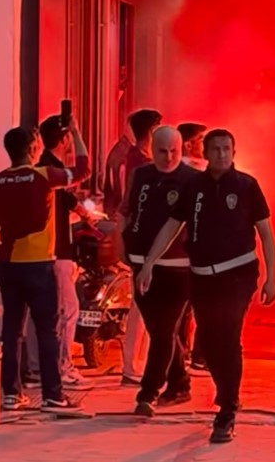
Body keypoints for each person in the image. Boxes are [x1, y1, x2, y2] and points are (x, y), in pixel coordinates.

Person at [135, 129, 275, 444]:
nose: (222, 155)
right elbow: (172, 227)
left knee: (227, 338)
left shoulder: (246, 186)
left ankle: (227, 408)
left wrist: (272, 276)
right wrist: (148, 264)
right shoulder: (194, 187)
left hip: (237, 275)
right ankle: (227, 391)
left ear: (234, 152)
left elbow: (266, 233)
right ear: (207, 152)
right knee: (209, 345)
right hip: (201, 276)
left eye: (227, 149)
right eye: (216, 149)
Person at [0, 127, 89, 413]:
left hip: (7, 265)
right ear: (34, 147)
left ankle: (11, 394)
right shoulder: (44, 175)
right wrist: (75, 133)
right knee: (47, 331)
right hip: (39, 265)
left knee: (11, 329)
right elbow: (84, 170)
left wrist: (0, 245)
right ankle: (53, 395)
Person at [121, 126, 200, 416]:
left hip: (178, 268)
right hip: (140, 263)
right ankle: (180, 383)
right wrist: (120, 241)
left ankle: (148, 393)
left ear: (182, 150)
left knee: (165, 330)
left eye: (174, 152)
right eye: (162, 151)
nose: (168, 157)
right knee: (160, 332)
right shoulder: (141, 176)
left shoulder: (192, 180)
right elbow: (126, 211)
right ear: (152, 150)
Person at [26, 114, 94, 391]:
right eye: (69, 137)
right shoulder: (52, 171)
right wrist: (78, 132)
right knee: (67, 311)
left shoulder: (35, 171)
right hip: (57, 252)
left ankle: (34, 368)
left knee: (36, 313)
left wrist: (81, 211)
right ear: (64, 138)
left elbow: (69, 201)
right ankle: (62, 367)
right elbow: (84, 169)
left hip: (33, 254)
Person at [119, 109, 162, 384]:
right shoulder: (141, 164)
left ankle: (138, 362)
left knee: (147, 302)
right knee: (142, 303)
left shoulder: (132, 158)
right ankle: (132, 365)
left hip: (142, 237)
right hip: (142, 237)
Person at [175, 122, 208, 372]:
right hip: (192, 249)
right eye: (201, 140)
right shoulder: (192, 176)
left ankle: (183, 355)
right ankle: (195, 357)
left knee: (185, 307)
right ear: (188, 144)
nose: (204, 145)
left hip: (185, 250)